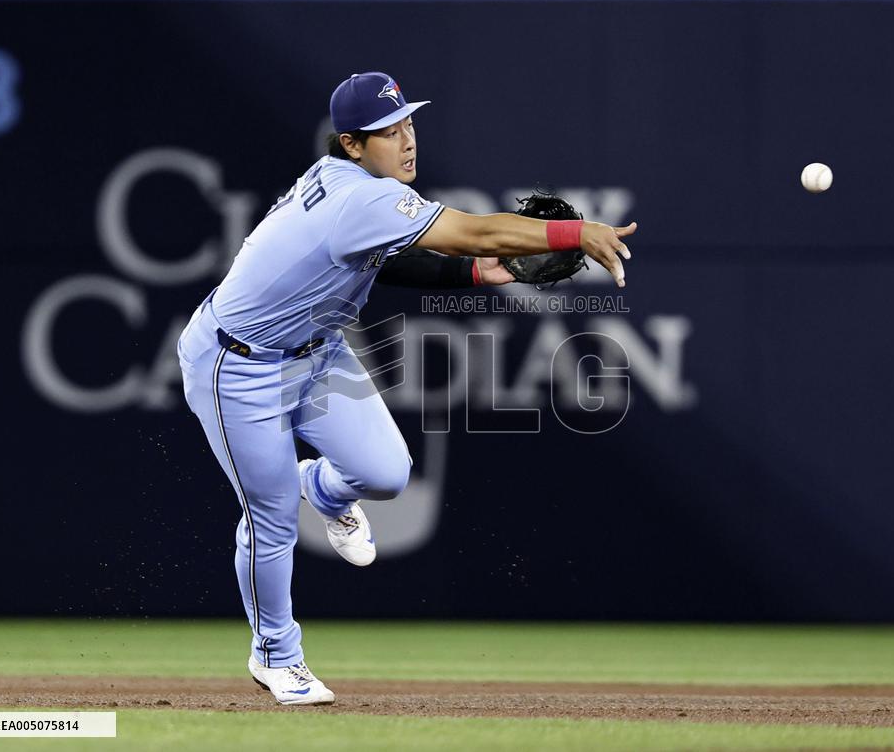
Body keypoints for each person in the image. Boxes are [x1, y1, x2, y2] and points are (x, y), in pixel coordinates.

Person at [177, 71, 636, 705]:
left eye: (408, 124)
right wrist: (573, 233)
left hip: (317, 353)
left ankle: (318, 488)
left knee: (387, 473)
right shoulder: (357, 199)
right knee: (270, 518)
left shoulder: (353, 182)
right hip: (238, 367)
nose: (406, 140)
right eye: (386, 133)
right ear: (352, 144)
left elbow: (387, 257)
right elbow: (475, 229)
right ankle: (275, 655)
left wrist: (474, 273)